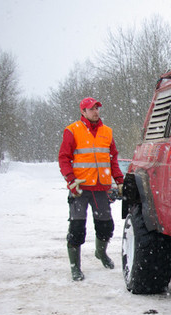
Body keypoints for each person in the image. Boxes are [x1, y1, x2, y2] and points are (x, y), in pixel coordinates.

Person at [58, 97, 124, 281]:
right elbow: (63, 158)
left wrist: (119, 180)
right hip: (79, 189)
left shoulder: (107, 132)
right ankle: (75, 267)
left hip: (100, 188)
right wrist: (71, 180)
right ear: (83, 112)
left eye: (97, 108)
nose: (96, 111)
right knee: (77, 228)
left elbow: (112, 159)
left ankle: (100, 253)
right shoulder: (72, 131)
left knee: (106, 226)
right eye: (91, 109)